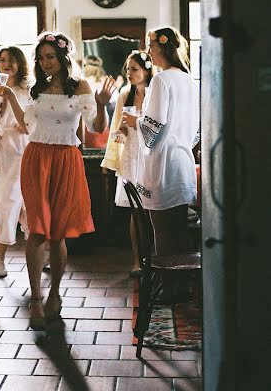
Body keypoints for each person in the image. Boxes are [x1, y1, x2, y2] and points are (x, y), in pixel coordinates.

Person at [0, 31, 116, 329]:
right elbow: (26, 124)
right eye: (41, 57)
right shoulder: (38, 88)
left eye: (50, 57)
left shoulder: (80, 86)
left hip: (65, 160)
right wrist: (10, 96)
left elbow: (97, 127)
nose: (45, 63)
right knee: (36, 230)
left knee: (57, 233)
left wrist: (101, 104)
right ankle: (36, 298)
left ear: (62, 57)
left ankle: (55, 295)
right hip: (35, 159)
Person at [123, 26, 199, 303]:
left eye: (151, 46)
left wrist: (136, 122)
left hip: (162, 163)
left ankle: (170, 288)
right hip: (183, 160)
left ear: (163, 48)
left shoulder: (161, 81)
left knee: (162, 230)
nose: (148, 51)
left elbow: (153, 130)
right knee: (180, 229)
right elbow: (197, 130)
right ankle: (182, 285)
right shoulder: (190, 80)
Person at [101, 50, 154, 277]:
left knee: (154, 211)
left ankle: (155, 258)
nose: (129, 73)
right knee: (136, 212)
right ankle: (137, 261)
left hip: (151, 154)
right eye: (128, 69)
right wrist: (121, 134)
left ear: (146, 70)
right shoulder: (125, 95)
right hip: (132, 154)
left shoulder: (155, 93)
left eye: (134, 69)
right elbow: (120, 126)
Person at [0, 46, 31, 278]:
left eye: (11, 60)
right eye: (2, 60)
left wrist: (26, 126)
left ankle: (40, 252)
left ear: (20, 64)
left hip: (26, 151)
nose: (6, 64)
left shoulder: (28, 90)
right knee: (6, 205)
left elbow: (33, 123)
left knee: (30, 205)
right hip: (4, 155)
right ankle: (0, 257)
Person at [83, 55, 118, 147]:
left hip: (84, 125)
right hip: (102, 120)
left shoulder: (82, 82)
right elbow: (115, 102)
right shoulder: (105, 81)